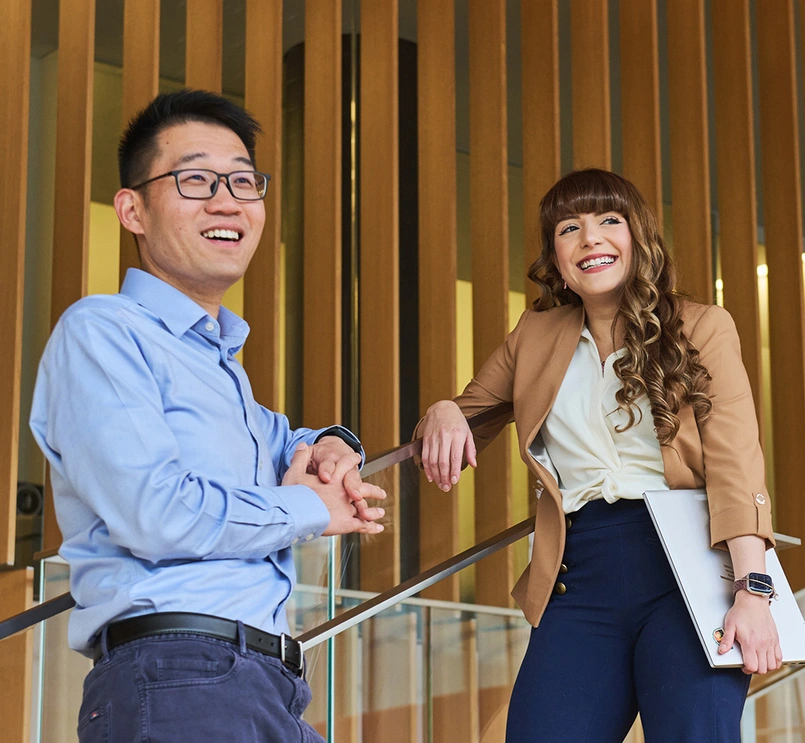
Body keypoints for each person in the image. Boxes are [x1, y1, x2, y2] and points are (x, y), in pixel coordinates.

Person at [30, 89, 386, 743]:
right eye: (194, 179)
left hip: (262, 682)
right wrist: (311, 510)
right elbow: (158, 514)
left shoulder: (223, 374)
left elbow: (288, 439)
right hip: (176, 675)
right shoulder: (104, 332)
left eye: (244, 181)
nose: (226, 200)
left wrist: (337, 445)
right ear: (132, 209)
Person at [417, 169, 781, 741]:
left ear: (638, 236)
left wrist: (753, 592)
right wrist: (441, 409)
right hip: (579, 573)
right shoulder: (534, 335)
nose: (590, 239)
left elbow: (736, 464)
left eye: (609, 221)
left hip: (689, 570)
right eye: (570, 228)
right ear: (555, 255)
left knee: (694, 731)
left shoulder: (702, 326)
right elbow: (470, 414)